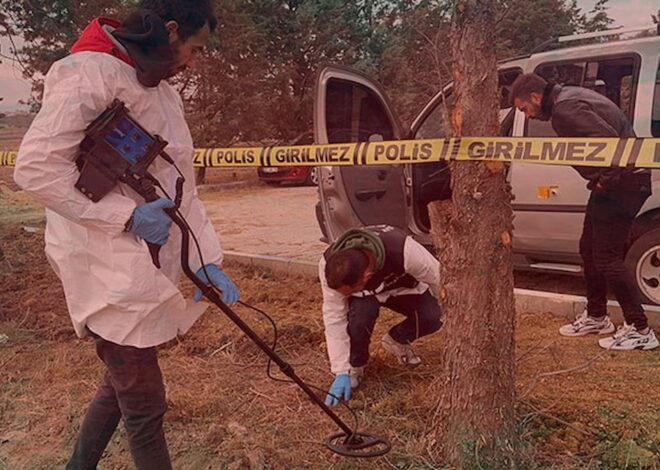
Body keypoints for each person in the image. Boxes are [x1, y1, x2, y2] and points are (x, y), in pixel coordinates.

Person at [13, 1, 239, 468]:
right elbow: (35, 169)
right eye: (193, 49)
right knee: (144, 402)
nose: (192, 62)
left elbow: (181, 185)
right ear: (170, 30)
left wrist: (205, 260)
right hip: (101, 262)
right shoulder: (87, 73)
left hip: (141, 260)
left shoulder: (164, 93)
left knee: (120, 386)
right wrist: (125, 217)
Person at [510, 72, 658, 351]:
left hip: (623, 184)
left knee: (607, 257)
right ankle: (597, 316)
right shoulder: (570, 97)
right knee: (588, 249)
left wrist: (606, 179)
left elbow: (612, 146)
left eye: (524, 109)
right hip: (619, 182)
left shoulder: (565, 109)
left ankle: (640, 329)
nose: (527, 116)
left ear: (535, 97)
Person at [320, 225, 442, 407]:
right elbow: (334, 317)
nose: (343, 298)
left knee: (433, 316)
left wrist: (455, 315)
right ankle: (356, 366)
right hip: (365, 299)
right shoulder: (329, 266)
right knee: (359, 319)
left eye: (348, 292)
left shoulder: (404, 250)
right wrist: (341, 370)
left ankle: (397, 339)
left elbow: (438, 279)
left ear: (367, 276)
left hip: (401, 288)